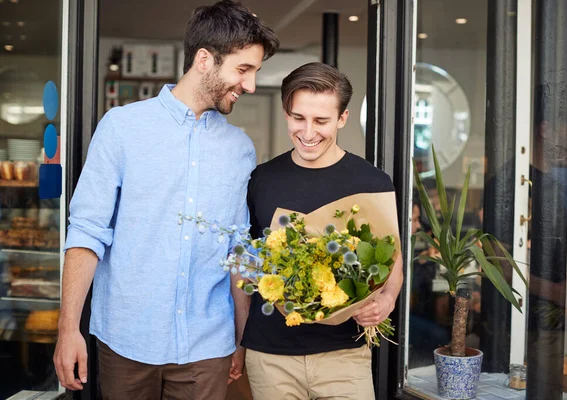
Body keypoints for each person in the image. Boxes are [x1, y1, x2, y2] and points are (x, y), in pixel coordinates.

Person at [52, 1, 278, 399]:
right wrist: (68, 329)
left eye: (255, 72)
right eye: (243, 70)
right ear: (204, 59)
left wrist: (242, 338)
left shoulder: (241, 149)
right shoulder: (122, 128)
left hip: (207, 346)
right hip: (125, 338)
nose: (251, 85)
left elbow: (238, 249)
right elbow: (87, 232)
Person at [237, 62, 404, 400]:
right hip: (270, 356)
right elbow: (243, 269)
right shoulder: (261, 180)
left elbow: (393, 266)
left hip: (345, 355)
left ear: (342, 118)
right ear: (286, 113)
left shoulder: (372, 183)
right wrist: (239, 343)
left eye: (321, 121)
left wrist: (385, 301)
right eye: (298, 118)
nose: (308, 132)